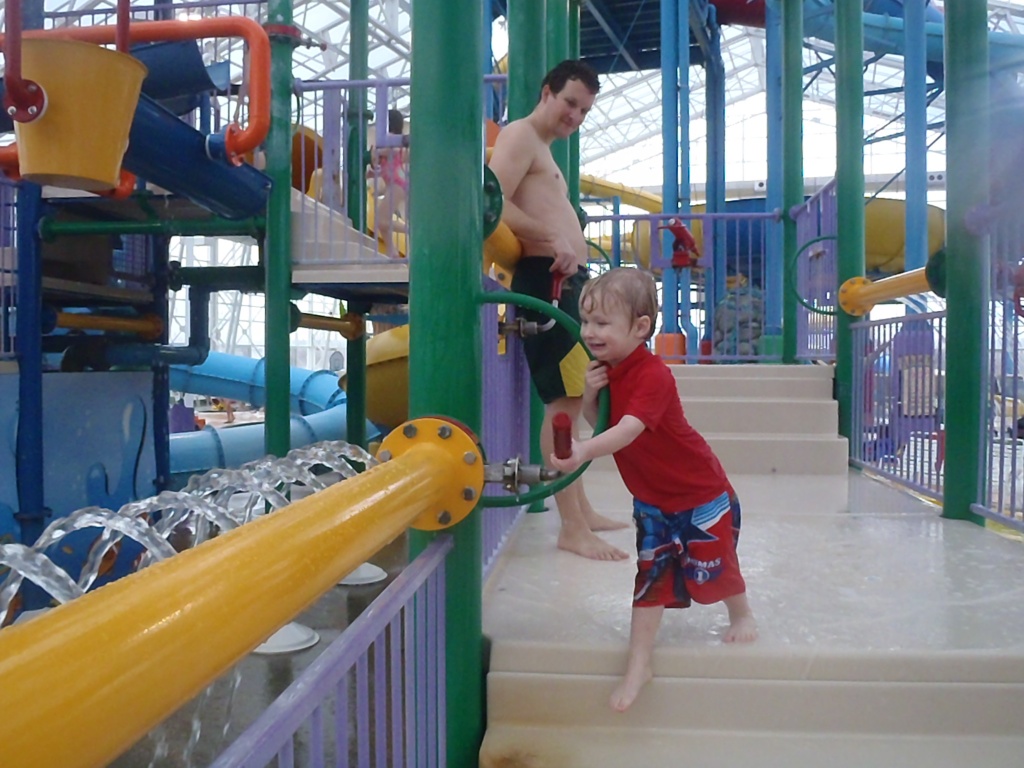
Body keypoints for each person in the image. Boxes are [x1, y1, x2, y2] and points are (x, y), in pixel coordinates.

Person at [549, 268, 758, 712]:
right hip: (652, 500)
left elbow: (627, 431)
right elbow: (601, 422)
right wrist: (590, 396)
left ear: (640, 328)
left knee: (714, 563)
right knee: (651, 578)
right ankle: (638, 663)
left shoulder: (653, 375)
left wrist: (582, 452)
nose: (589, 332)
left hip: (699, 493)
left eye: (602, 323)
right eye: (585, 321)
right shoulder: (606, 370)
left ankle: (741, 613)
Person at [489, 59, 628, 562]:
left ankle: (581, 511)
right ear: (546, 92)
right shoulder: (520, 136)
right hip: (545, 279)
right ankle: (571, 526)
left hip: (564, 281)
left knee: (572, 395)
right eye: (570, 103)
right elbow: (492, 200)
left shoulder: (543, 148)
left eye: (584, 110)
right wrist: (551, 236)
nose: (575, 116)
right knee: (564, 403)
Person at [370, 108, 409, 258]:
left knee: (382, 221)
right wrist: (374, 172)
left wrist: (377, 152)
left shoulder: (391, 139)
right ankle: (392, 253)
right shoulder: (387, 141)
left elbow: (392, 151)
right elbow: (387, 166)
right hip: (395, 183)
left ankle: (411, 230)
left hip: (398, 184)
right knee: (381, 221)